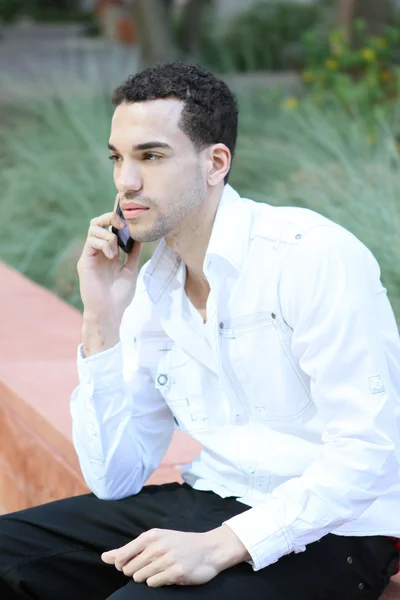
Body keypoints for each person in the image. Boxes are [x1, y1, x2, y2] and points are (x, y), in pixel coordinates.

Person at [1, 62, 399, 600]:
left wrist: (221, 544)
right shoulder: (152, 287)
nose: (126, 181)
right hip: (215, 494)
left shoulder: (311, 255)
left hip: (338, 529)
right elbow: (114, 478)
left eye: (151, 156)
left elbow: (368, 448)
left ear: (216, 162)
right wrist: (102, 316)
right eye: (118, 158)